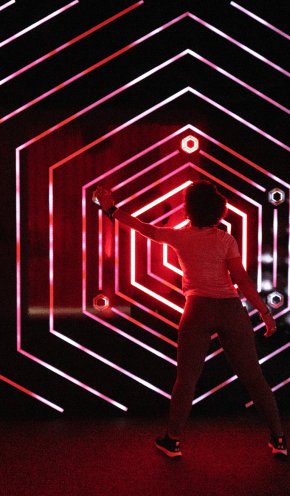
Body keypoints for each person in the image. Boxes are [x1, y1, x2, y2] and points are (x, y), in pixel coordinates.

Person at [94, 181, 286, 458]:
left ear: (190, 209)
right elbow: (242, 281)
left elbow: (141, 228)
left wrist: (111, 209)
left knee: (186, 379)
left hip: (197, 309)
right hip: (231, 309)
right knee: (254, 377)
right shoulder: (226, 240)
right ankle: (279, 440)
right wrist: (265, 314)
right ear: (219, 210)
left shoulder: (179, 236)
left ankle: (172, 442)